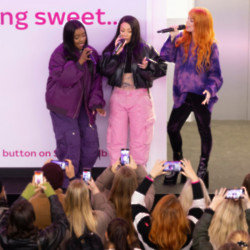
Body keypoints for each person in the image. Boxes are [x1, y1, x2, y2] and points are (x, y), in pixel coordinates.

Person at [160, 7, 223, 187]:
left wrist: (210, 90)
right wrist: (172, 38)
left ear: (201, 25)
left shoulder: (211, 45)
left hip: (201, 95)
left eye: (191, 20)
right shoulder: (181, 40)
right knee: (172, 128)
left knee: (204, 130)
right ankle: (177, 162)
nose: (187, 22)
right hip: (183, 94)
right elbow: (166, 56)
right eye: (187, 19)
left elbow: (216, 74)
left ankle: (203, 166)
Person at [99, 15, 167, 167]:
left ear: (135, 32)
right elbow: (103, 70)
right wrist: (115, 54)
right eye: (122, 30)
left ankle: (138, 176)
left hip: (140, 97)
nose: (124, 34)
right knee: (116, 138)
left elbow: (163, 68)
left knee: (140, 138)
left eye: (129, 31)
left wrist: (148, 67)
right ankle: (117, 174)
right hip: (118, 96)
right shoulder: (112, 49)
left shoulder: (145, 48)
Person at [45, 20, 105, 187]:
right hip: (63, 108)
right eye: (76, 37)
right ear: (69, 38)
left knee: (90, 146)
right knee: (70, 148)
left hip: (84, 107)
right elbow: (64, 80)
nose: (81, 39)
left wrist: (97, 103)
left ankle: (82, 184)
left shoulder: (91, 53)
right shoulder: (59, 54)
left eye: (83, 35)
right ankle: (67, 187)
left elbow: (96, 81)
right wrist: (79, 62)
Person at [131, 159, 206, 249]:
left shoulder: (144, 228)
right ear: (181, 215)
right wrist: (194, 178)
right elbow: (199, 205)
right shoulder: (190, 230)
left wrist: (151, 176)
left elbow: (136, 201)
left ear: (157, 211)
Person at [0, 174, 68, 249]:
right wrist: (51, 193)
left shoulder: (4, 239)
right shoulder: (43, 240)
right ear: (33, 218)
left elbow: (6, 216)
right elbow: (61, 221)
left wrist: (25, 195)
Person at [29, 159, 66, 229]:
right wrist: (72, 178)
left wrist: (44, 170)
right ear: (61, 179)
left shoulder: (31, 203)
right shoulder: (67, 201)